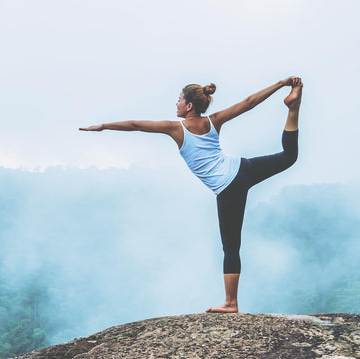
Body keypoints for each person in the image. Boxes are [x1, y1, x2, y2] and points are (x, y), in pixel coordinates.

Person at [80, 76, 303, 313]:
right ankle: (293, 108)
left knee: (230, 247)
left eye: (178, 100)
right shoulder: (213, 121)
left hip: (228, 187)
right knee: (288, 157)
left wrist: (103, 126)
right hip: (243, 168)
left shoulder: (175, 129)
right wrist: (280, 84)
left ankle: (231, 303)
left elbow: (136, 124)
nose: (175, 104)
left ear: (188, 106)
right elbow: (248, 103)